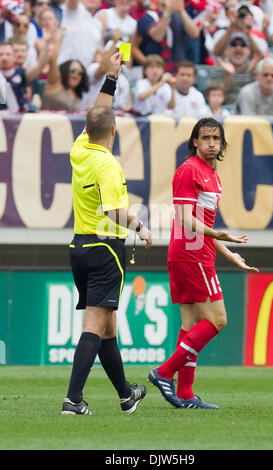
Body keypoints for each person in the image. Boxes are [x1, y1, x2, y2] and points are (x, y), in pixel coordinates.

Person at [62, 51, 152, 415]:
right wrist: (140, 226)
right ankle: (73, 400)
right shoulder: (109, 166)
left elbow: (95, 116)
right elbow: (114, 211)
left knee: (108, 329)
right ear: (115, 131)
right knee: (95, 324)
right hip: (105, 250)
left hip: (79, 247)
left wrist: (111, 79)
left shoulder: (79, 150)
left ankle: (126, 396)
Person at [148, 117, 259, 409]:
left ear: (222, 143)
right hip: (191, 253)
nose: (211, 143)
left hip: (192, 252)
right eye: (206, 138)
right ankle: (163, 373)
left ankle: (184, 394)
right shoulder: (188, 170)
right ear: (195, 141)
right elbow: (185, 219)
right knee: (218, 319)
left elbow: (204, 223)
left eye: (216, 138)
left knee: (191, 324)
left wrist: (230, 254)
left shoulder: (211, 174)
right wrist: (216, 234)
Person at [132, 0, 199, 76]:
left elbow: (195, 34)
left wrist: (181, 10)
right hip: (154, 71)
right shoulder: (149, 16)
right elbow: (158, 36)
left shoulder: (178, 15)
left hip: (177, 70)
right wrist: (167, 12)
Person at [41, 28, 89, 111]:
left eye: (80, 72)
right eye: (72, 70)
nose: (76, 74)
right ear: (65, 70)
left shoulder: (77, 94)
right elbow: (53, 60)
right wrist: (61, 38)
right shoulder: (55, 84)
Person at [0, 38, 49, 111]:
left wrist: (46, 44)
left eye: (8, 54)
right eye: (1, 54)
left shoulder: (22, 73)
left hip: (22, 118)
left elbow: (40, 66)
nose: (4, 58)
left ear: (14, 56)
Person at [211, 32, 256, 105]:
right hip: (226, 110)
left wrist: (254, 73)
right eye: (234, 45)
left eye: (243, 45)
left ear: (248, 50)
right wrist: (229, 75)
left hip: (249, 109)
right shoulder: (219, 67)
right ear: (227, 50)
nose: (238, 48)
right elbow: (215, 96)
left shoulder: (254, 67)